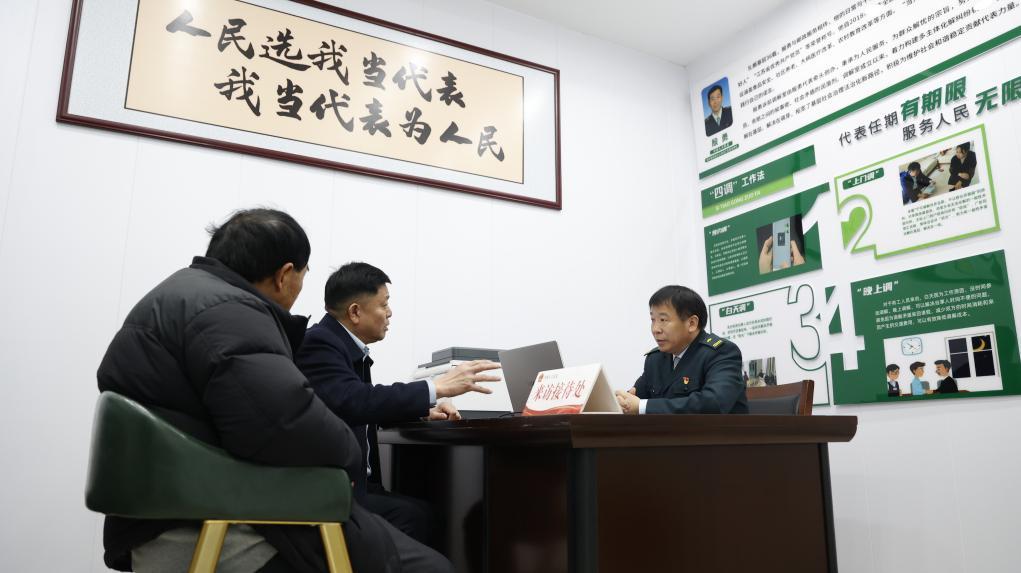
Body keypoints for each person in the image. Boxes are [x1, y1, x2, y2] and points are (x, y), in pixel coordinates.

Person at [97, 209, 451, 573]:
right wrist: (348, 453)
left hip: (175, 509)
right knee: (430, 567)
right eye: (303, 275)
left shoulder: (182, 295)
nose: (389, 313)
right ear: (284, 275)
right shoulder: (230, 312)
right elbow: (288, 423)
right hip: (219, 524)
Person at [296, 262, 500, 547]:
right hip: (334, 493)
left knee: (426, 513)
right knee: (418, 517)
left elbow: (357, 403)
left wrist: (424, 410)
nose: (390, 313)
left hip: (357, 486)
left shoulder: (341, 345)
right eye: (384, 304)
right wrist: (436, 387)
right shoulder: (319, 342)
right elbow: (352, 399)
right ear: (355, 312)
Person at [615, 285, 748, 414]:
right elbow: (634, 398)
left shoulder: (721, 353)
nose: (655, 329)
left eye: (663, 320)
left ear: (692, 323)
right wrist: (622, 401)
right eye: (653, 320)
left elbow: (713, 403)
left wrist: (642, 406)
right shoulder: (655, 359)